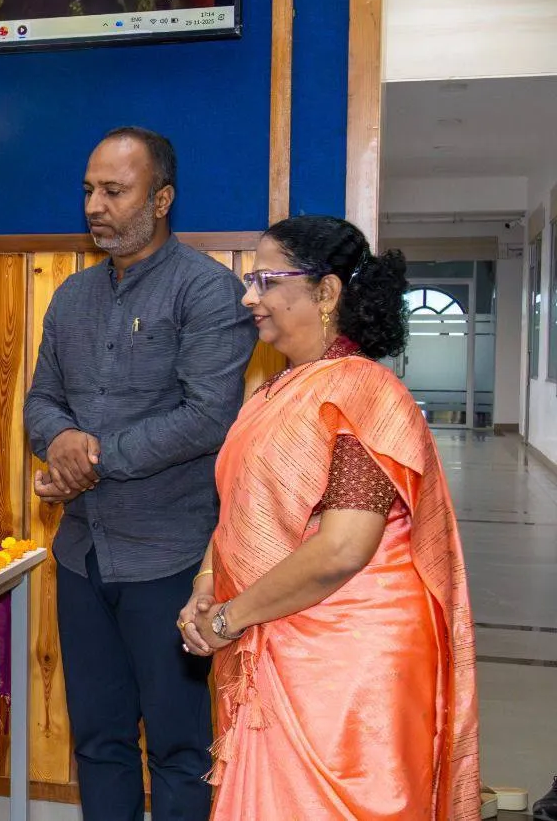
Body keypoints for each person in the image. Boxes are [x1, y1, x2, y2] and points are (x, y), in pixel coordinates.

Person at [177, 215, 480, 819]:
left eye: (266, 280)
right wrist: (206, 586)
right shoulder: (274, 390)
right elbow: (239, 508)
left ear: (326, 292)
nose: (249, 297)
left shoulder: (363, 393)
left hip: (346, 666)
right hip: (272, 634)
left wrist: (231, 618)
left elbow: (343, 548)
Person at [23, 126, 257, 821]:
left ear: (161, 199)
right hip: (82, 554)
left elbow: (208, 417)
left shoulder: (208, 292)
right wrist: (60, 438)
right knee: (98, 741)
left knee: (181, 748)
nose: (94, 206)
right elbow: (40, 401)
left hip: (171, 558)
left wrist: (89, 459)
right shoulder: (71, 296)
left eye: (114, 191)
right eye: (88, 190)